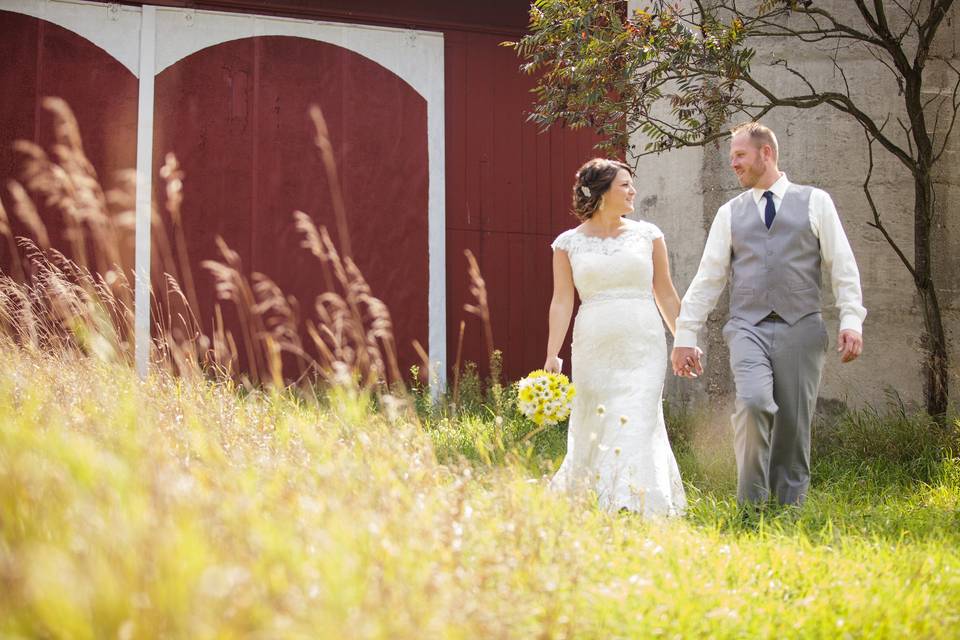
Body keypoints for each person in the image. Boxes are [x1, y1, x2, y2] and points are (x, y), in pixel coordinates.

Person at [671, 122, 866, 506]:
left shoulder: (815, 202)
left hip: (802, 328)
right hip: (747, 328)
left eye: (740, 156)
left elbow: (841, 265)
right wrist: (684, 335)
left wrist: (851, 320)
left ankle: (788, 510)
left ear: (766, 153)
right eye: (731, 158)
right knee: (755, 403)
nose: (734, 164)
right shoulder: (730, 213)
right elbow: (708, 278)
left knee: (794, 425)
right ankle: (751, 506)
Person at [545, 158, 686, 516]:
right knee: (598, 418)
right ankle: (594, 495)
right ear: (603, 192)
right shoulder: (567, 244)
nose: (633, 190)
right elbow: (562, 301)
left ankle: (636, 500)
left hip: (644, 343)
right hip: (594, 344)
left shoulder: (648, 236)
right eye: (624, 185)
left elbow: (666, 293)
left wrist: (684, 339)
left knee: (638, 416)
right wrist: (552, 354)